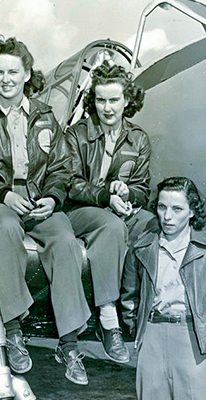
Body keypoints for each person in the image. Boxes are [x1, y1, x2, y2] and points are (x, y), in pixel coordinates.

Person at [0, 36, 91, 385]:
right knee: (6, 231)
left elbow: (61, 167)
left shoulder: (46, 116)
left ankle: (69, 343)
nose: (6, 79)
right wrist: (4, 194)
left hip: (40, 201)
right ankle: (13, 329)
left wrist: (52, 199)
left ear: (26, 74)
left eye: (13, 71)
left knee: (65, 239)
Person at [63, 61, 157, 364]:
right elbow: (70, 184)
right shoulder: (76, 135)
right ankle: (109, 320)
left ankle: (147, 316)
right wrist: (106, 196)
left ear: (126, 100)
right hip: (80, 212)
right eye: (101, 99)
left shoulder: (139, 139)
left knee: (158, 227)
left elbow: (143, 188)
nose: (107, 107)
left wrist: (128, 193)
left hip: (121, 211)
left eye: (114, 99)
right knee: (111, 225)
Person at [121, 177, 206, 399]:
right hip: (152, 338)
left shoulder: (203, 250)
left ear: (192, 211)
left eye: (177, 209)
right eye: (162, 207)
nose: (167, 217)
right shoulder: (141, 247)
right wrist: (141, 333)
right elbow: (129, 298)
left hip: (193, 340)